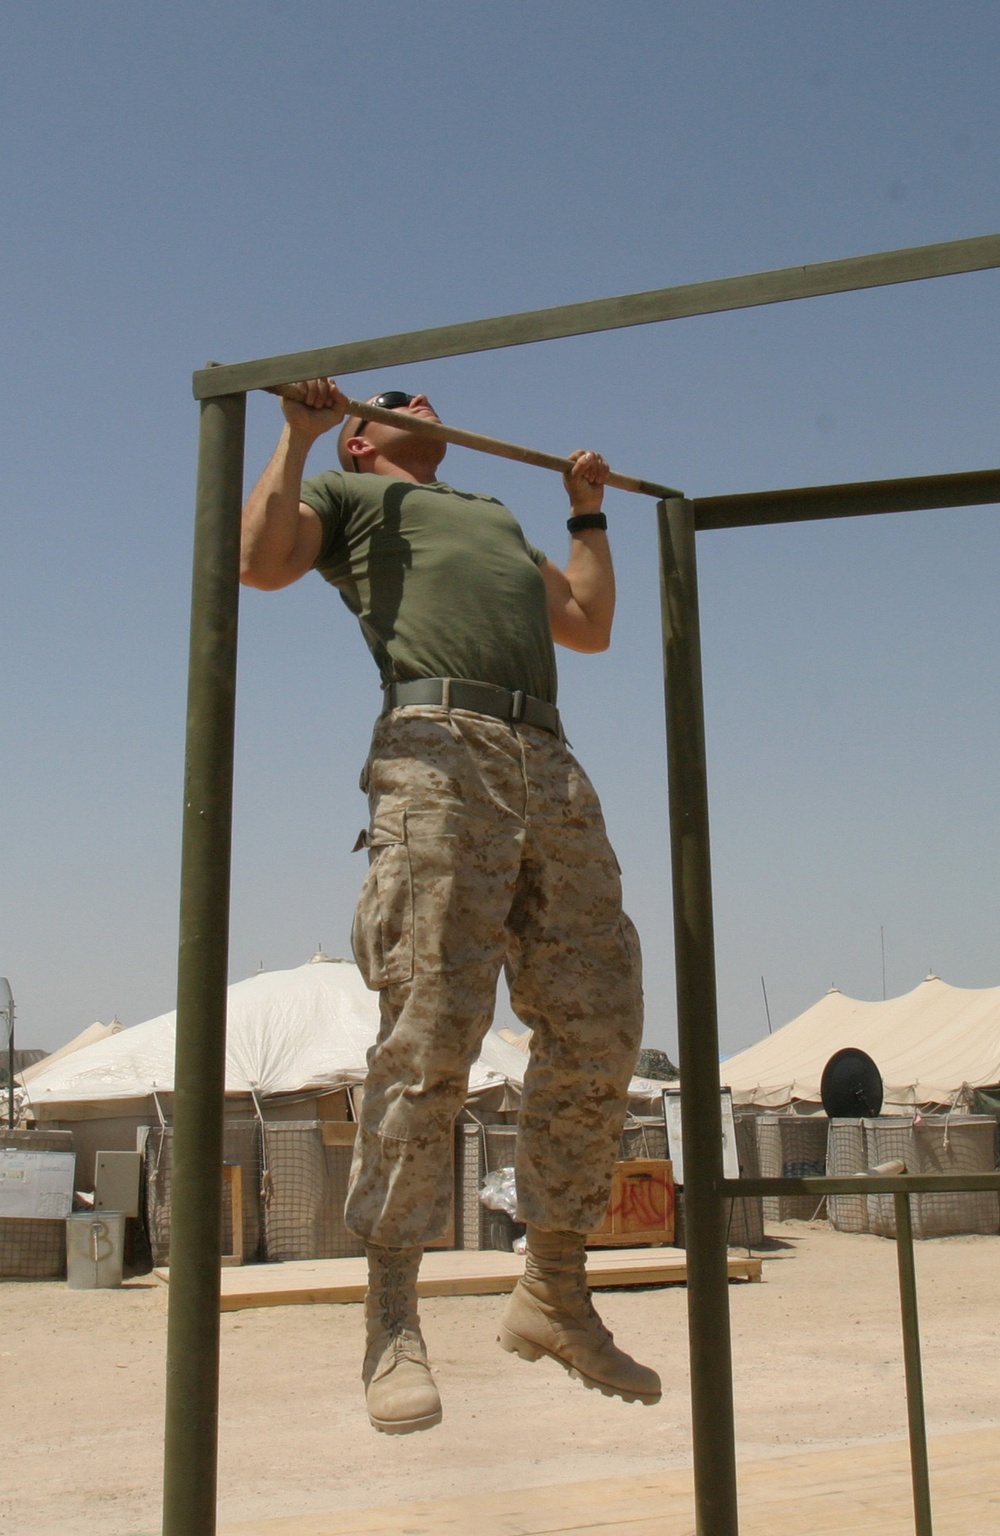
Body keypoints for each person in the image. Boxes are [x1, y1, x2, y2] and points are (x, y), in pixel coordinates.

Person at [241, 379, 660, 1434]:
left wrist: (586, 510)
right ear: (361, 433)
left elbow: (589, 623)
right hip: (436, 748)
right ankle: (391, 1320)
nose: (424, 398)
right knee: (431, 1026)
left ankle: (553, 1287)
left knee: (602, 1022)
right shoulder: (345, 493)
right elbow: (259, 560)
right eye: (397, 397)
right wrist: (293, 440)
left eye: (430, 392)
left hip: (549, 760)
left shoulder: (488, 516)